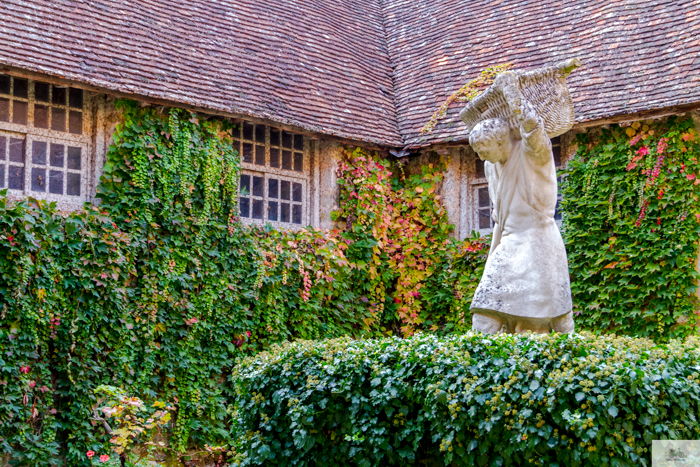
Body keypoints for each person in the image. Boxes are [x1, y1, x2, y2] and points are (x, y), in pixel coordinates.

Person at [468, 73, 574, 334]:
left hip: (536, 242)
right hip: (509, 243)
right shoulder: (491, 167)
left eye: (484, 149)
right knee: (483, 316)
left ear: (502, 142)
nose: (481, 156)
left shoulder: (532, 154)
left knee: (533, 325)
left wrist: (514, 95)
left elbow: (534, 130)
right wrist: (494, 252)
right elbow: (498, 218)